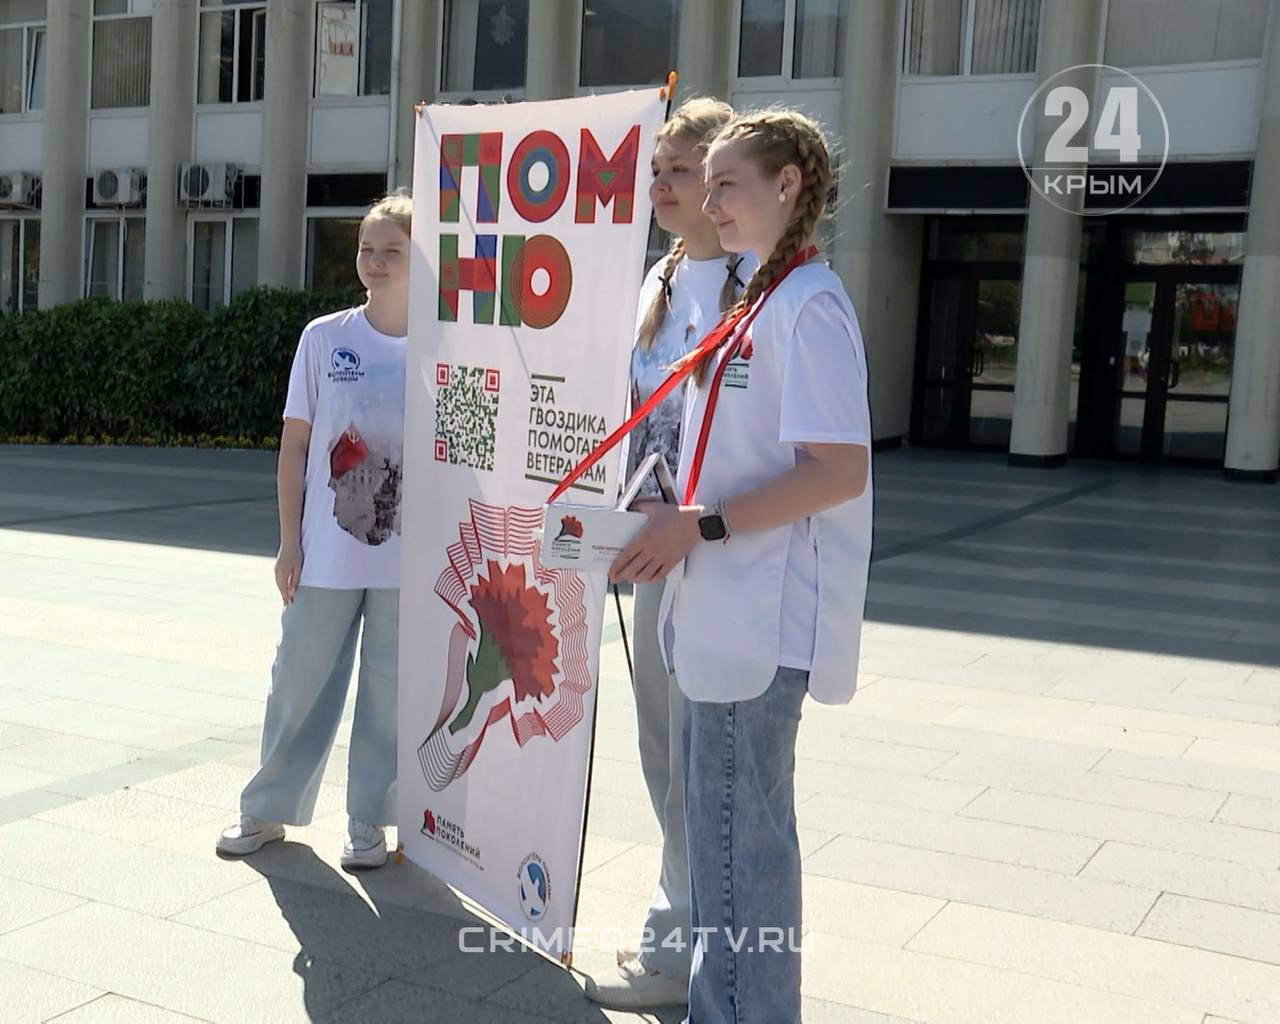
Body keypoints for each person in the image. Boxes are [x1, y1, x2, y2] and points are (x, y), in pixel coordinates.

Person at [609, 109, 873, 1023]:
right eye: (704, 183)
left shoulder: (810, 306)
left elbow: (839, 472)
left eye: (725, 183)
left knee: (740, 857)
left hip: (756, 622)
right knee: (727, 854)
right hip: (712, 611)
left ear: (787, 186)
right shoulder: (760, 298)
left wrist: (702, 526)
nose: (706, 202)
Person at [586, 97, 752, 1012]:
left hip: (725, 560)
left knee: (711, 766)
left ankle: (696, 954)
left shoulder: (758, 283)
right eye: (657, 169)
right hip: (652, 553)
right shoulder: (656, 282)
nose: (662, 185)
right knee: (662, 752)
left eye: (681, 171)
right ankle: (681, 940)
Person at [217, 190, 412, 871]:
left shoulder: (447, 348)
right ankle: (267, 808)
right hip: (328, 553)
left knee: (389, 695)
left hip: (406, 565)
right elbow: (296, 448)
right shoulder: (325, 339)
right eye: (367, 248)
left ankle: (370, 821)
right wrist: (289, 542)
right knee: (298, 678)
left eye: (393, 250)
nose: (376, 262)